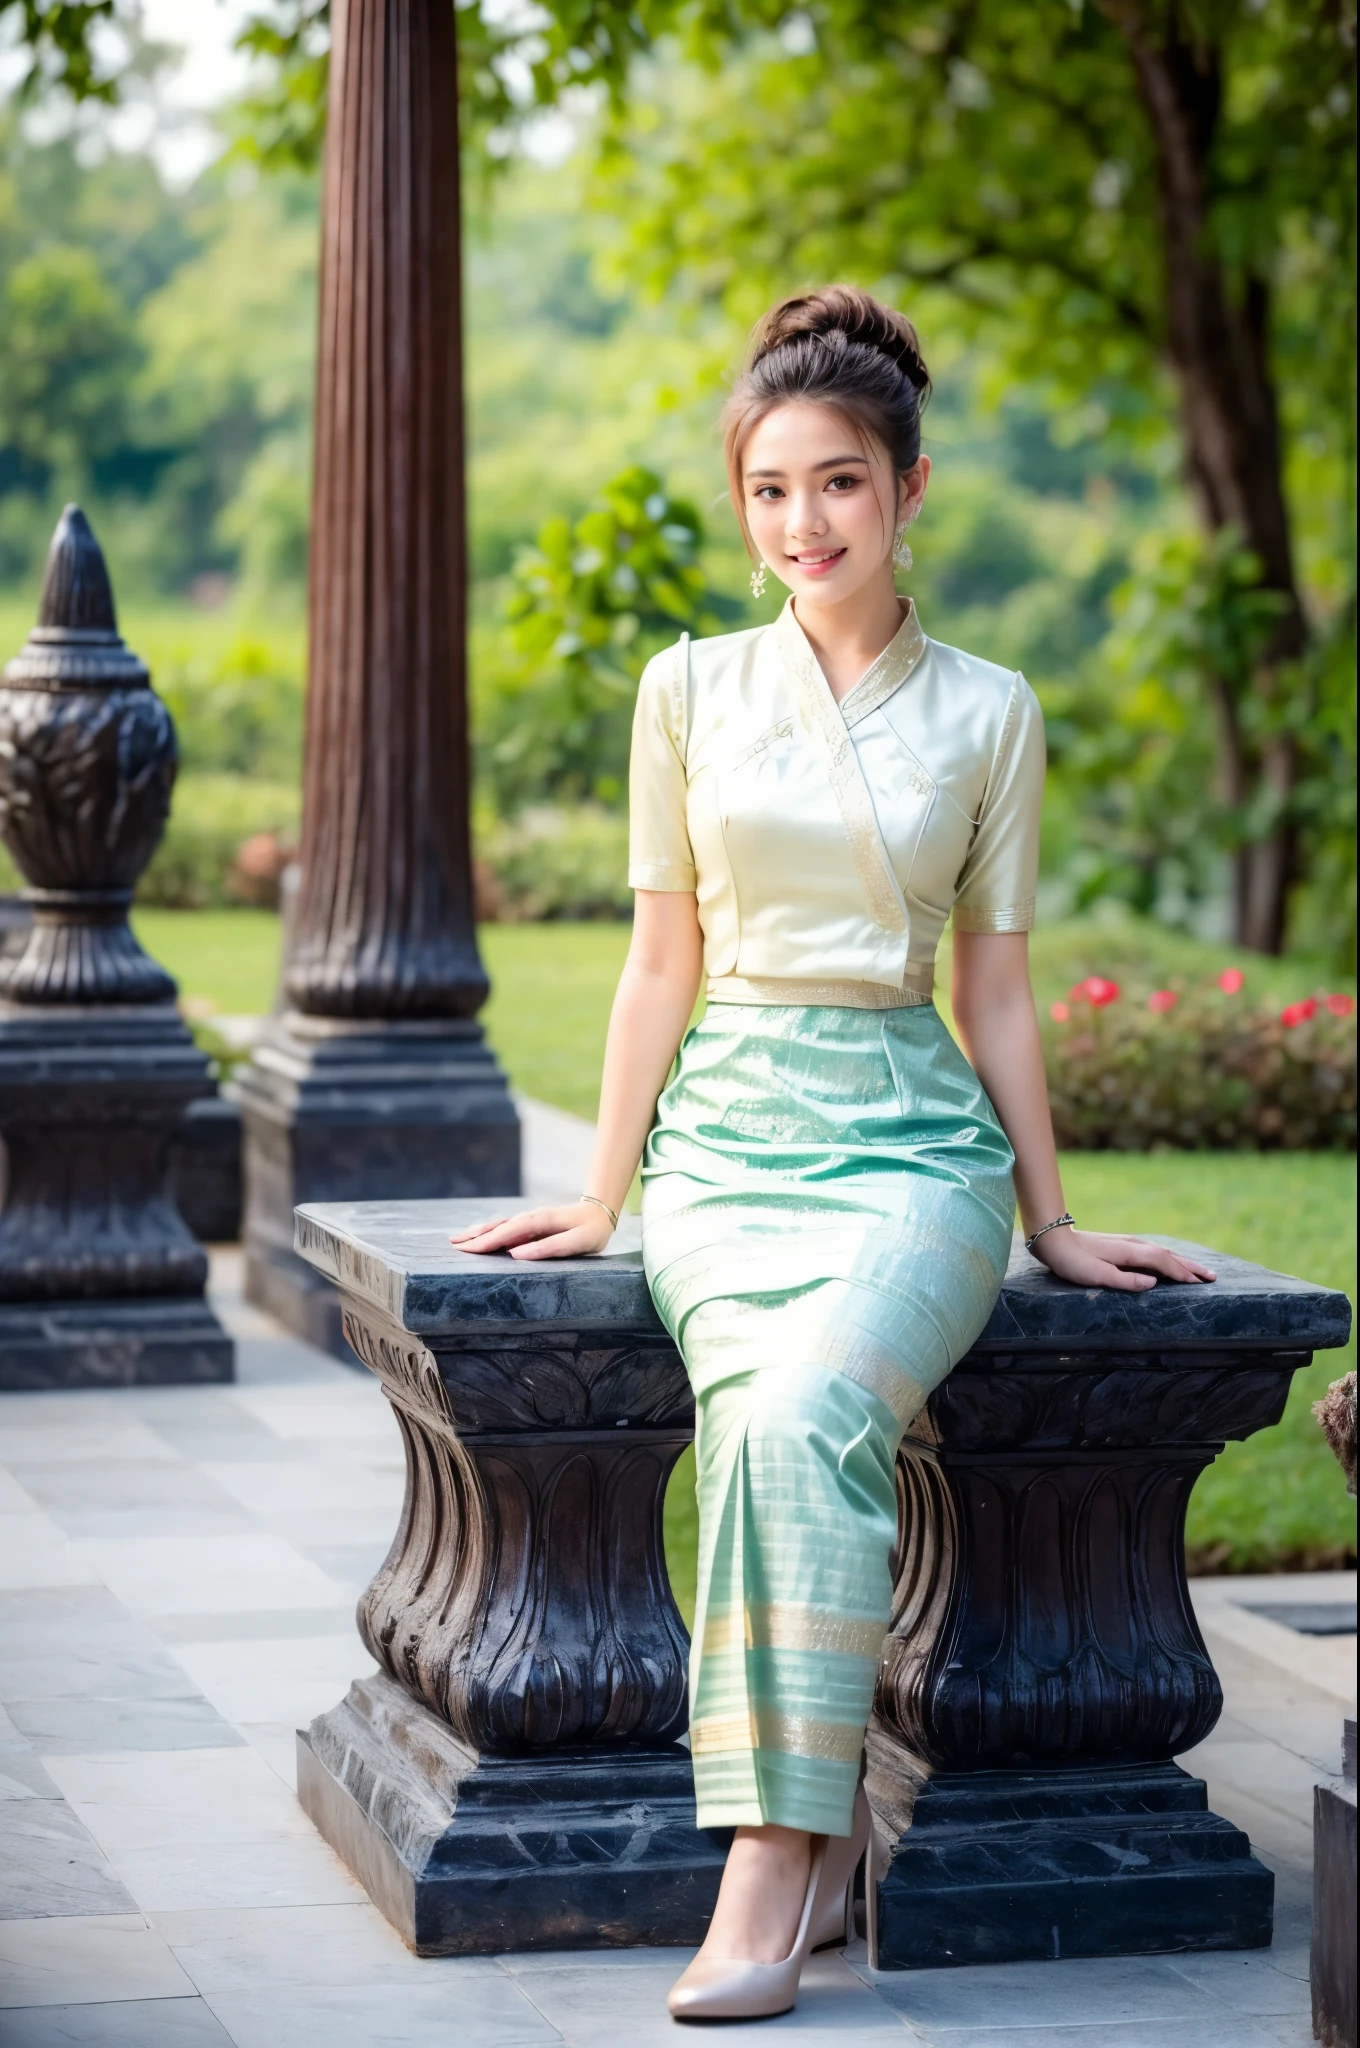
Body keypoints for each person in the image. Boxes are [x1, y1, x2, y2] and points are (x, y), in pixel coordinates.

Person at [452, 286, 1215, 2025]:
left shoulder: (992, 710)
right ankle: (793, 1840)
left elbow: (995, 989)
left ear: (912, 488)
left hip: (911, 1155)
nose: (805, 523)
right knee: (758, 1412)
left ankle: (772, 1859)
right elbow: (663, 960)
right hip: (728, 1148)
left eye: (842, 484)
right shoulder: (689, 690)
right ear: (745, 506)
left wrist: (1056, 1219)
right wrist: (605, 1190)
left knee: (804, 1412)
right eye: (772, 490)